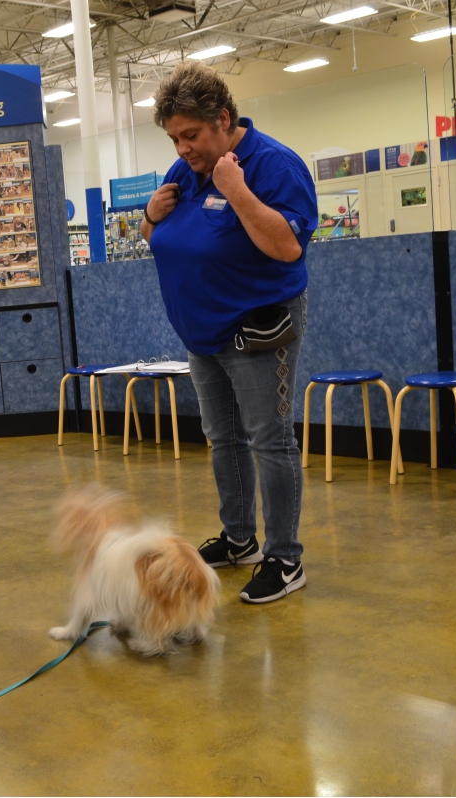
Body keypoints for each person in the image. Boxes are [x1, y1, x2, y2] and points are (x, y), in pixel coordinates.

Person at [141, 61, 317, 604]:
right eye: (174, 138)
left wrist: (237, 191)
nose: (182, 148)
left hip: (258, 327)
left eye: (190, 135)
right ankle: (240, 539)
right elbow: (159, 238)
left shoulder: (274, 164)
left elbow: (287, 247)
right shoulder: (184, 171)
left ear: (223, 118)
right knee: (223, 438)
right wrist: (150, 216)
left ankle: (285, 558)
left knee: (270, 440)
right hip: (202, 333)